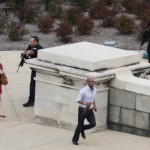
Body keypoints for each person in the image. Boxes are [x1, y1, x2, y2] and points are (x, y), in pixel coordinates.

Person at [72, 76, 97, 145]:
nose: (92, 83)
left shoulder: (95, 90)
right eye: (90, 81)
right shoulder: (83, 90)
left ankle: (82, 129)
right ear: (87, 82)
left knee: (93, 123)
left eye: (93, 81)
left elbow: (93, 99)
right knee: (79, 125)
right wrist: (85, 103)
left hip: (90, 110)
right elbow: (78, 100)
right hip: (82, 110)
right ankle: (74, 140)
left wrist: (94, 106)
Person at [23, 36, 43, 107]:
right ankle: (33, 99)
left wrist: (26, 53)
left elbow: (30, 52)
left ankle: (31, 101)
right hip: (34, 69)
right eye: (30, 41)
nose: (30, 43)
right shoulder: (30, 46)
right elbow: (26, 52)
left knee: (33, 85)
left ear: (35, 41)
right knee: (33, 85)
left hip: (38, 70)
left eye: (31, 41)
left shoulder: (39, 48)